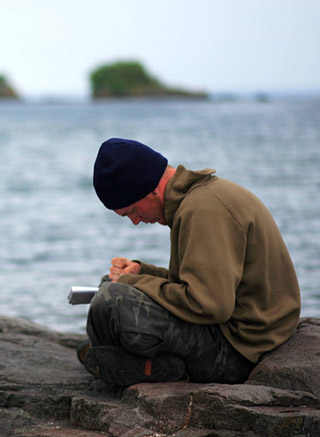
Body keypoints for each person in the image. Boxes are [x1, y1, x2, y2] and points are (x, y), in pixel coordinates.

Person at [78, 138, 301, 386]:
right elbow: (201, 283)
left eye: (131, 210)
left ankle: (158, 368)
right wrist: (142, 272)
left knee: (112, 300)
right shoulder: (199, 199)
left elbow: (211, 305)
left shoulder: (203, 210)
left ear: (149, 188)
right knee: (110, 285)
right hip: (238, 333)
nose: (135, 221)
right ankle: (132, 363)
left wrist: (134, 281)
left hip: (239, 351)